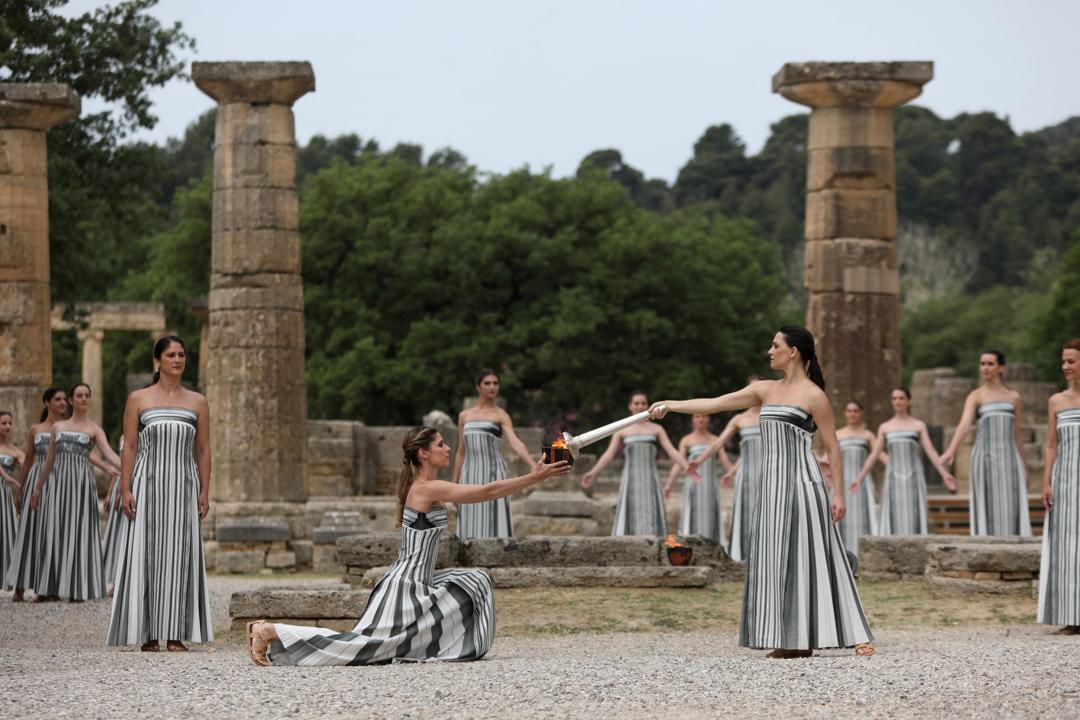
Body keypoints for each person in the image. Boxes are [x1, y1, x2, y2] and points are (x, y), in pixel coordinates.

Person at [244, 425, 570, 666]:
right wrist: (534, 477)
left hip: (420, 582)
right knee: (360, 648)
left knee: (476, 580)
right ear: (423, 453)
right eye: (441, 444)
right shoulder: (425, 489)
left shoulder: (426, 487)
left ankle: (439, 648)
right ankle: (269, 630)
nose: (447, 448)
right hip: (404, 586)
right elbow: (485, 492)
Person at [649, 326, 873, 658]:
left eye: (775, 345)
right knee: (774, 559)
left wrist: (838, 495)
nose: (769, 351)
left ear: (793, 351)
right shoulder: (764, 390)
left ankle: (856, 632)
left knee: (821, 555)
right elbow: (714, 404)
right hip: (770, 487)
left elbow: (834, 448)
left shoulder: (814, 396)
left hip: (804, 483)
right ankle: (791, 641)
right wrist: (670, 405)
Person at [108, 336, 213, 652]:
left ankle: (177, 634)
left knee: (180, 554)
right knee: (148, 554)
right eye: (171, 355)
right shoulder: (138, 398)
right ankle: (150, 633)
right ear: (158, 360)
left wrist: (205, 490)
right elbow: (129, 446)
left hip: (183, 485)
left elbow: (204, 449)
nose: (177, 360)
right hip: (147, 484)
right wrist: (125, 487)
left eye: (181, 354)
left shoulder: (198, 402)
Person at [32, 383, 121, 602]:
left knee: (80, 532)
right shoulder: (58, 427)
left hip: (82, 486)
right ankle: (48, 588)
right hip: (57, 485)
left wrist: (133, 467)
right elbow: (49, 460)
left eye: (86, 396)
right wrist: (37, 488)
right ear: (71, 400)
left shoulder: (94, 429)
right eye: (78, 396)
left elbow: (110, 455)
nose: (83, 399)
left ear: (89, 400)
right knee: (53, 530)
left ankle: (79, 589)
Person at [940, 351, 1031, 536]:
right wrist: (951, 450)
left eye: (990, 364)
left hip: (1009, 458)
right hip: (984, 457)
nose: (985, 368)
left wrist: (1024, 466)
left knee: (1011, 502)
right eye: (982, 364)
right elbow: (965, 425)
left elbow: (1017, 433)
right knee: (987, 502)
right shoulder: (976, 396)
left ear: (1001, 368)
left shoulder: (1014, 397)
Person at [583, 391, 691, 537]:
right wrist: (594, 472)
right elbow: (609, 454)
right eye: (636, 403)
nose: (640, 406)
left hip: (650, 479)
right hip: (630, 480)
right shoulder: (621, 429)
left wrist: (687, 466)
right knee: (631, 510)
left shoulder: (657, 429)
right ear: (630, 406)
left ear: (648, 405)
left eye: (643, 403)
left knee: (650, 510)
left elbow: (672, 451)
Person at [853, 389, 957, 535]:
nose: (898, 401)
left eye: (901, 398)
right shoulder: (885, 427)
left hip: (914, 476)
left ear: (909, 401)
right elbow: (874, 455)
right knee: (893, 514)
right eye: (894, 398)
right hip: (893, 477)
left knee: (914, 514)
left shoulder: (918, 425)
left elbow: (930, 451)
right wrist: (860, 478)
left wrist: (945, 474)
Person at [452, 368, 536, 539]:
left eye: (495, 383)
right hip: (470, 473)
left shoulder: (501, 415)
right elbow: (461, 452)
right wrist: (454, 485)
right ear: (478, 387)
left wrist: (532, 464)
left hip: (493, 472)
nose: (492, 387)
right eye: (487, 383)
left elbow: (514, 442)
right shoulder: (464, 416)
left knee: (493, 517)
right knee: (470, 512)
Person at [5, 388, 67, 601]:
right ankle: (20, 587)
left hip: (59, 481)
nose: (63, 403)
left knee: (53, 532)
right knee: (31, 531)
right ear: (47, 403)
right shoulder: (35, 429)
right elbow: (28, 461)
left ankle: (49, 587)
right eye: (58, 399)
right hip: (36, 481)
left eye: (64, 399)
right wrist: (20, 489)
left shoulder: (67, 428)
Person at [1037, 339, 1080, 635]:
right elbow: (1052, 444)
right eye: (1063, 361)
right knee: (1066, 547)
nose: (1065, 366)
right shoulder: (1057, 401)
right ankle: (1071, 616)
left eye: (1071, 361)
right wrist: (1046, 481)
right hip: (1065, 480)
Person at [690, 402, 761, 561]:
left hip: (770, 472)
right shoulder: (739, 419)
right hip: (747, 476)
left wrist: (730, 471)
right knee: (748, 514)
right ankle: (745, 556)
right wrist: (699, 461)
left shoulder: (773, 414)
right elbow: (719, 443)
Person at [663, 413, 725, 546]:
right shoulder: (686, 440)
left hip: (709, 486)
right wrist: (668, 484)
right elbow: (679, 463)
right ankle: (690, 548)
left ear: (709, 419)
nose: (701, 419)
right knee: (691, 515)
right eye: (697, 416)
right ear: (692, 419)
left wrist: (732, 473)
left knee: (710, 517)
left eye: (704, 416)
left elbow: (725, 461)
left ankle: (712, 548)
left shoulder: (716, 439)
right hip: (692, 485)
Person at [830, 401, 881, 556]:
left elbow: (878, 454)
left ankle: (864, 556)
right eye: (850, 410)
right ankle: (841, 556)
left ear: (861, 413)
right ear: (845, 413)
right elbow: (829, 458)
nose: (853, 414)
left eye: (856, 411)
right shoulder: (837, 434)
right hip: (842, 483)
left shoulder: (868, 435)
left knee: (862, 515)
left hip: (861, 483)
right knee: (841, 517)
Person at [0, 410, 26, 588]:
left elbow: (27, 468)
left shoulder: (16, 451)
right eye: (3, 423)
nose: (8, 426)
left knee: (6, 533)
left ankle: (9, 577)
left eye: (10, 423)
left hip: (4, 495)